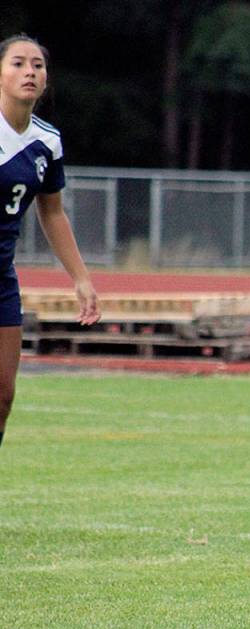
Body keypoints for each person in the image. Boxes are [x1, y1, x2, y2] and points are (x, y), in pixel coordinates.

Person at [0, 34, 100, 447]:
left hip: (2, 280)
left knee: (3, 395)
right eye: (18, 63)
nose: (29, 72)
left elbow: (52, 211)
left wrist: (80, 278)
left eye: (37, 65)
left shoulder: (47, 140)